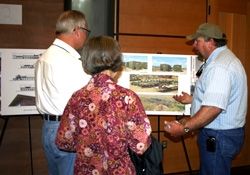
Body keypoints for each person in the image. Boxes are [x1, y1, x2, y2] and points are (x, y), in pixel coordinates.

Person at [55, 36, 152, 175]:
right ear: (117, 60)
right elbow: (140, 144)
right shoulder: (127, 98)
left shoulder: (77, 98)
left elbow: (64, 140)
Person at [164, 23, 247, 175]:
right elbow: (220, 97)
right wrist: (193, 99)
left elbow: (213, 108)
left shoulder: (219, 67)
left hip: (218, 135)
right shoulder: (225, 59)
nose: (194, 45)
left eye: (197, 40)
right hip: (222, 134)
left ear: (211, 41)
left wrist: (184, 128)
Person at [35, 10, 91, 175]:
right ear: (77, 31)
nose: (86, 37)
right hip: (67, 128)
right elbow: (88, 98)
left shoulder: (44, 57)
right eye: (86, 32)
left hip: (48, 128)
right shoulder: (69, 62)